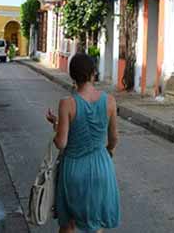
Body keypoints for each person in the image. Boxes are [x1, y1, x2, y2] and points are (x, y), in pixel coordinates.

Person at [46, 53, 120, 232]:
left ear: (72, 75)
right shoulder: (109, 101)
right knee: (96, 223)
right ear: (94, 72)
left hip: (74, 169)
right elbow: (114, 138)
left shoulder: (67, 103)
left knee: (69, 223)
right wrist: (108, 150)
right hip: (102, 166)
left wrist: (56, 128)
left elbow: (62, 142)